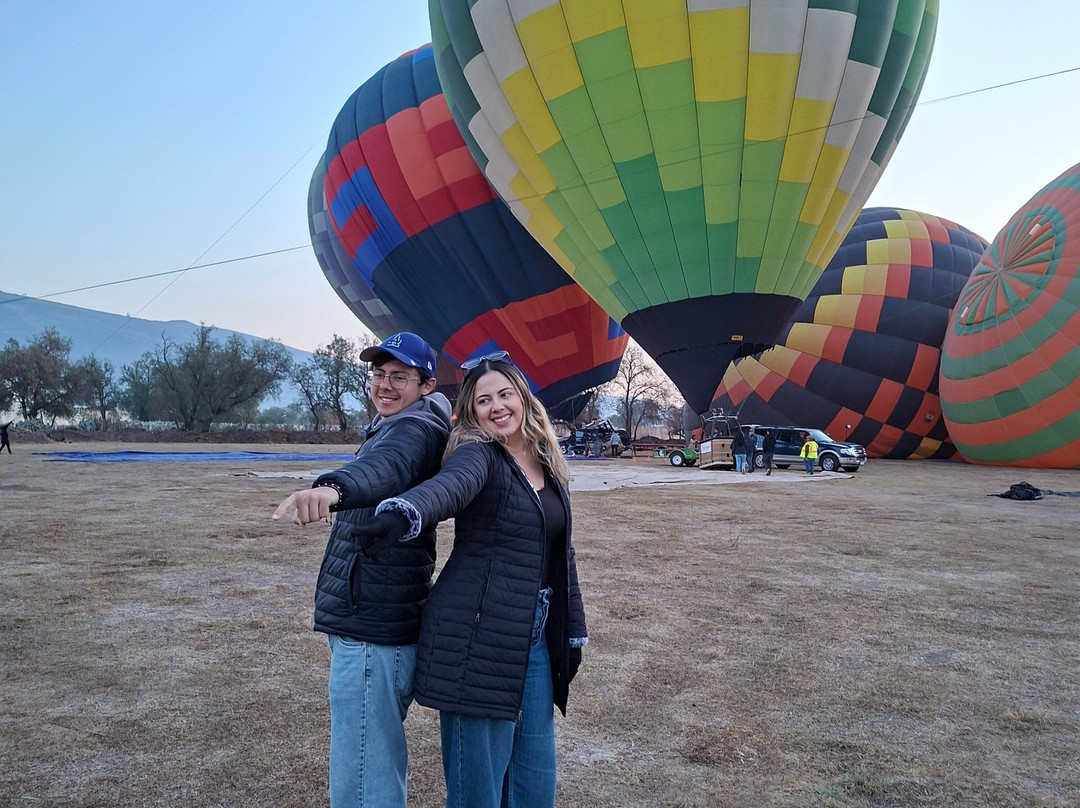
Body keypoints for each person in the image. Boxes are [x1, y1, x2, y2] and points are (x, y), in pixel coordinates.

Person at [356, 351, 588, 808]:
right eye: (484, 400)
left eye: (505, 394)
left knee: (534, 781)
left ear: (523, 397)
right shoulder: (478, 454)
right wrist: (404, 513)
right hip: (477, 635)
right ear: (472, 411)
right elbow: (447, 489)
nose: (497, 407)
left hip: (536, 635)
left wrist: (573, 631)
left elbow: (563, 554)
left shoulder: (547, 464)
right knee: (477, 791)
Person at [270, 332, 452, 808]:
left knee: (363, 781)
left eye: (400, 377)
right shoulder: (394, 425)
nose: (384, 385)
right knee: (375, 767)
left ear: (426, 386)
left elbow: (383, 470)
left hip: (373, 632)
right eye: (378, 374)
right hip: (373, 621)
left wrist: (332, 490)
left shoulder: (414, 430)